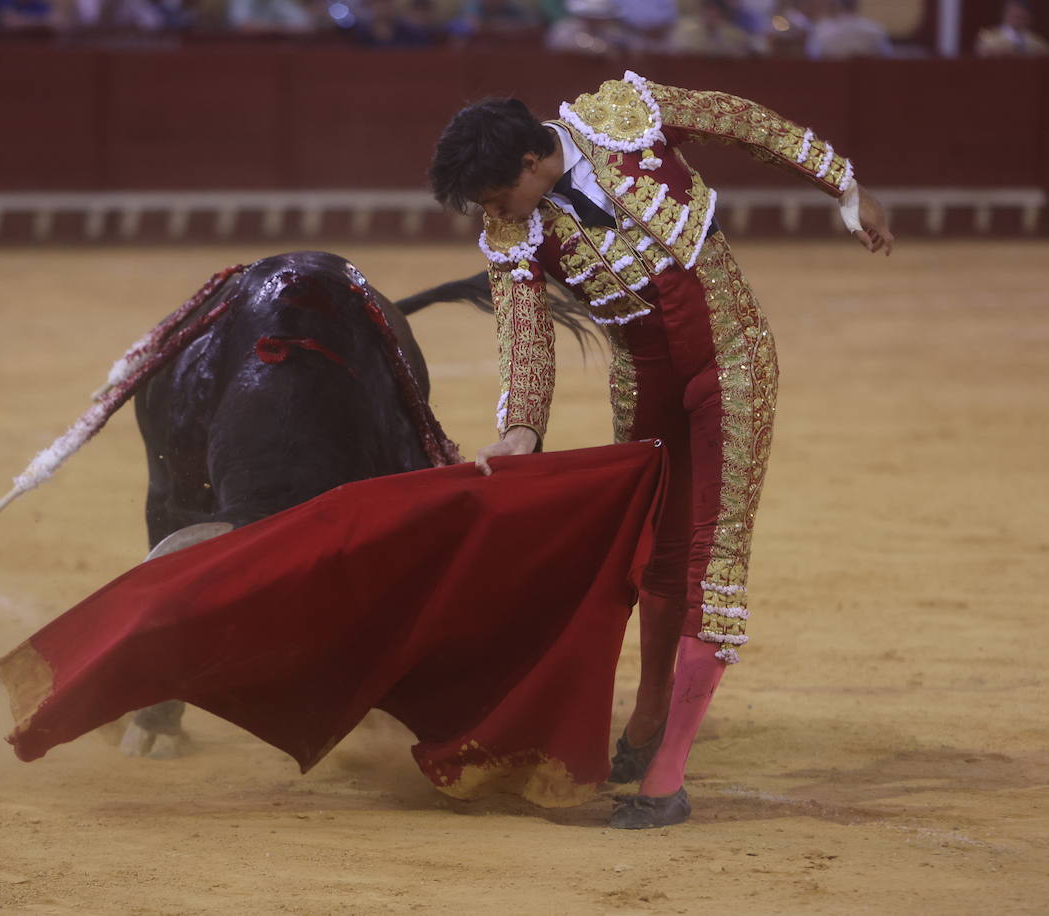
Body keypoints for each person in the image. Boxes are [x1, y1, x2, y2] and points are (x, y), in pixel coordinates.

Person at [428, 72, 893, 828]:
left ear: (528, 165)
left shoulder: (627, 115)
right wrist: (521, 427)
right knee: (657, 559)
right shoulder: (514, 230)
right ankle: (645, 727)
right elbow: (524, 328)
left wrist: (845, 185)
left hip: (734, 360)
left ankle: (666, 778)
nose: (492, 215)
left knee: (715, 556)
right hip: (642, 382)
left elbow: (745, 122)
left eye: (492, 196)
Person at [805, 0, 891, 59]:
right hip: (869, 81)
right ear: (856, 5)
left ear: (836, 5)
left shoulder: (822, 30)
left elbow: (812, 55)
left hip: (829, 80)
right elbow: (887, 55)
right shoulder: (873, 29)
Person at [976, 0, 1048, 56]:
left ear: (1029, 16)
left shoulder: (1039, 43)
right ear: (1005, 13)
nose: (1018, 13)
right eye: (1013, 10)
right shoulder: (988, 39)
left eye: (1022, 11)